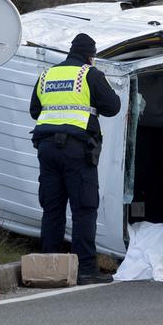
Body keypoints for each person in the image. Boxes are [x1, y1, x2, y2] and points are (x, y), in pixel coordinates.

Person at [30, 33, 123, 284]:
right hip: (76, 150)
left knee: (52, 208)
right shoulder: (89, 74)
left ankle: (49, 269)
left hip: (47, 149)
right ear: (90, 56)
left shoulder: (47, 75)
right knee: (83, 208)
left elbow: (34, 111)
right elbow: (113, 106)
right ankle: (85, 270)